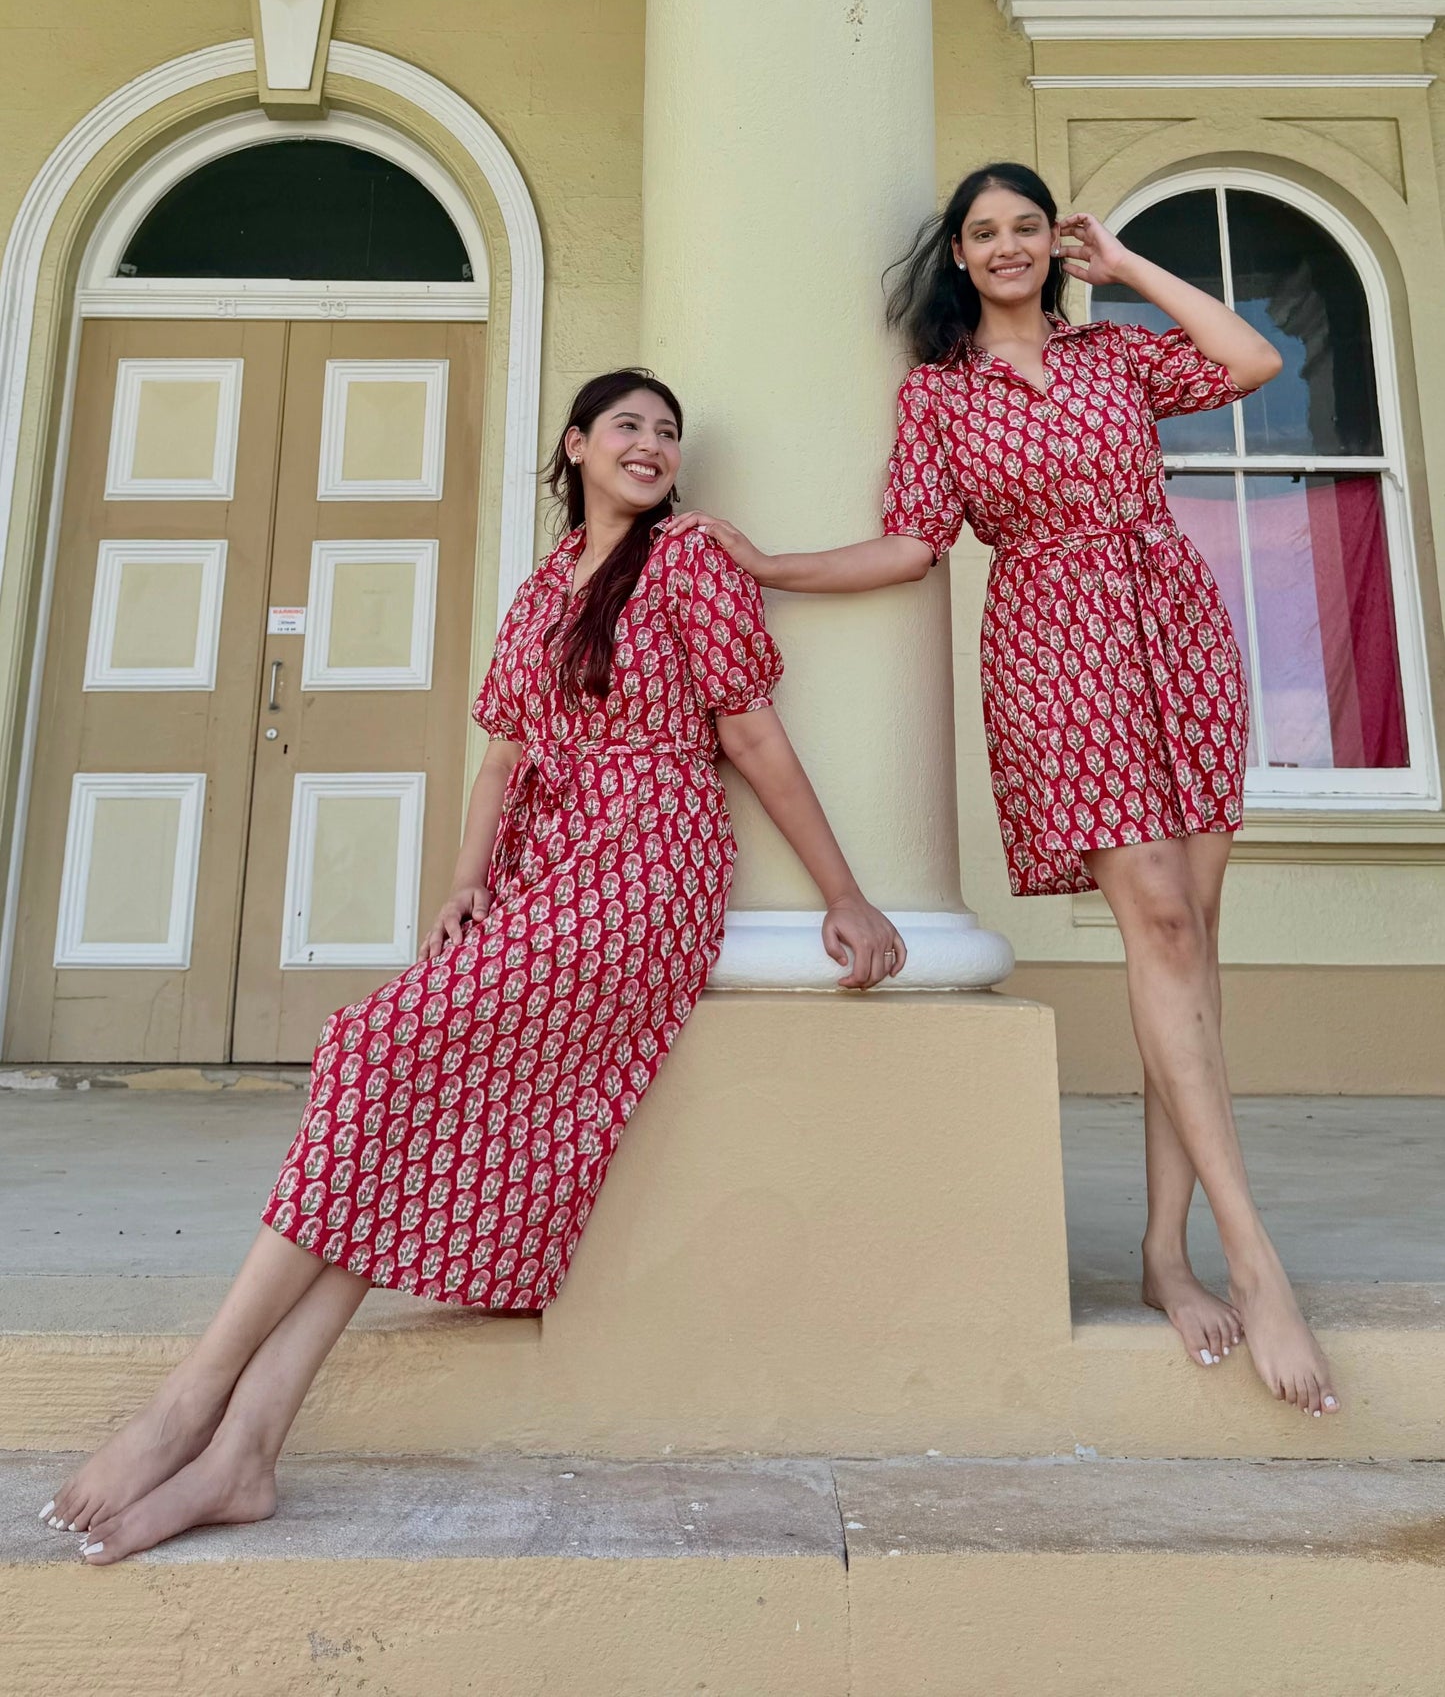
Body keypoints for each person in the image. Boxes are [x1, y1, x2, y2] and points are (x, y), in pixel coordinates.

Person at [45, 367, 906, 1564]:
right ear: (575, 446)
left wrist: (846, 890)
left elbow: (750, 732)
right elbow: (503, 752)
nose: (651, 446)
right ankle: (244, 1450)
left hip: (644, 867)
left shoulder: (690, 565)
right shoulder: (547, 583)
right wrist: (462, 882)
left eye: (666, 433)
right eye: (627, 427)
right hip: (540, 868)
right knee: (409, 1113)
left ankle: (193, 1398)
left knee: (372, 1047)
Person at [666, 164, 1340, 1420]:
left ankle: (1161, 1252)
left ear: (1052, 242)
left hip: (1173, 630)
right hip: (1052, 646)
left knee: (1187, 948)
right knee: (1158, 927)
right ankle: (1254, 1261)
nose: (1006, 245)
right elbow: (912, 543)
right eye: (984, 233)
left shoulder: (1115, 358)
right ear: (959, 259)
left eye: (1026, 226)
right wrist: (768, 563)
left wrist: (1126, 263)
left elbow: (1249, 361)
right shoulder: (938, 393)